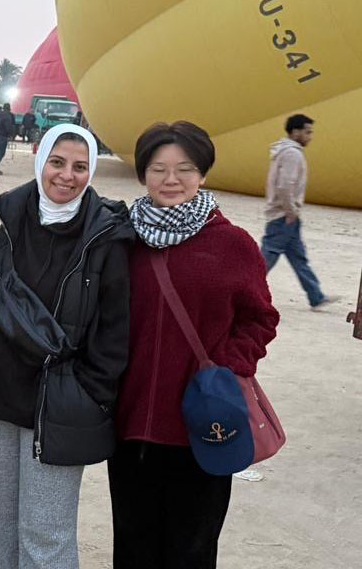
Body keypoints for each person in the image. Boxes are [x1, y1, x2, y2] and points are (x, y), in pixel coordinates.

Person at [0, 123, 133, 569]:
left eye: (79, 166)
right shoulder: (8, 219)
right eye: (57, 163)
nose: (66, 176)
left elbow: (114, 329)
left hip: (59, 402)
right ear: (39, 159)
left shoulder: (106, 235)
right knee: (1, 519)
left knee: (46, 531)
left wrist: (90, 391)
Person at [111, 121, 280, 569]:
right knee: (132, 544)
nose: (171, 180)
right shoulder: (122, 240)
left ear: (202, 173)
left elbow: (261, 318)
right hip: (131, 427)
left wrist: (225, 367)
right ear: (143, 174)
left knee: (191, 550)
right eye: (158, 168)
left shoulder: (233, 245)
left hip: (203, 427)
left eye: (184, 168)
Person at [260, 114, 339, 311]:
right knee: (266, 259)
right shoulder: (292, 154)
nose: (310, 136)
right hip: (283, 216)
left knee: (298, 257)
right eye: (307, 132)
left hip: (285, 215)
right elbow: (285, 185)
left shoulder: (284, 151)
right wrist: (290, 211)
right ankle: (238, 292)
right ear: (295, 132)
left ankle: (316, 296)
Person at [0, 103, 17, 175]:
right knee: (1, 153)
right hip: (2, 136)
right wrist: (11, 135)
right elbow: (8, 127)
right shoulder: (7, 116)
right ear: (9, 108)